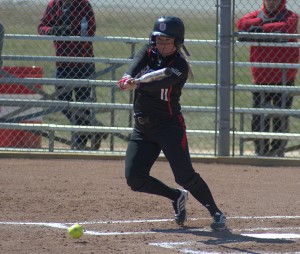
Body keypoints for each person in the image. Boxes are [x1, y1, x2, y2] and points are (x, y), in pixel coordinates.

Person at [117, 16, 227, 231]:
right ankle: (176, 197)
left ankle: (216, 212)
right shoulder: (147, 53)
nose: (161, 44)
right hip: (142, 128)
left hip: (169, 127)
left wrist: (137, 84)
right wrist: (127, 78)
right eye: (159, 39)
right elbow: (132, 68)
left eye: (167, 41)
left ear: (177, 42)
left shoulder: (179, 66)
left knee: (185, 176)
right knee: (135, 179)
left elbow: (160, 84)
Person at [38, 0, 107, 150]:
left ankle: (80, 144)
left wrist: (73, 32)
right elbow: (41, 27)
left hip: (83, 61)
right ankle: (94, 127)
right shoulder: (54, 4)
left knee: (82, 103)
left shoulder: (83, 4)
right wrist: (54, 30)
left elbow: (91, 29)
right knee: (62, 101)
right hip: (62, 63)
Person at [236, 0, 299, 157]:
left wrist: (259, 29)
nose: (271, 2)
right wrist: (262, 21)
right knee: (258, 118)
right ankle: (261, 151)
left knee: (280, 118)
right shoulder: (256, 15)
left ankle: (276, 151)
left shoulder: (290, 16)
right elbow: (241, 24)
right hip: (260, 77)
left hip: (284, 77)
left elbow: (287, 27)